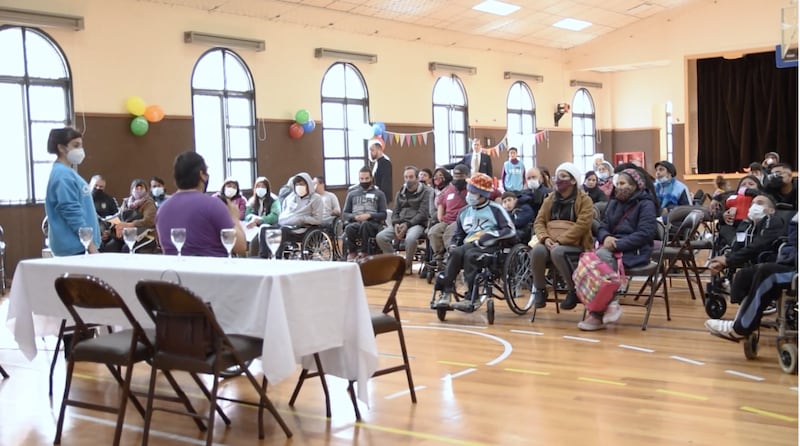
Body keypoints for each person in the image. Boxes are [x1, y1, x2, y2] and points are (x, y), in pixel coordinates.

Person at [577, 168, 657, 331]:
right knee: (591, 259)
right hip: (610, 248)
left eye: (623, 183)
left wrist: (618, 244)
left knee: (601, 257)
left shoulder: (646, 204)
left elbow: (646, 234)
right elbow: (603, 226)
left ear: (634, 186)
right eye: (617, 183)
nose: (619, 187)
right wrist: (606, 237)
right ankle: (603, 306)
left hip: (635, 250)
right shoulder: (613, 203)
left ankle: (601, 311)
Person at [705, 212, 797, 341]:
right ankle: (742, 320)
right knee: (746, 275)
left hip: (795, 268)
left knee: (767, 274)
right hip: (790, 262)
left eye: (759, 203)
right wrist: (728, 260)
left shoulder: (775, 222)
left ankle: (741, 328)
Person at [433, 173, 515, 311]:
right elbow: (458, 234)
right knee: (455, 253)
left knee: (470, 256)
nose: (469, 195)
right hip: (469, 244)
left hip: (490, 246)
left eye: (473, 192)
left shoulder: (496, 209)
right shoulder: (464, 212)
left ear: (483, 195)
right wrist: (453, 244)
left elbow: (510, 230)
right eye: (469, 191)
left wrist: (488, 236)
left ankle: (472, 296)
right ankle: (446, 292)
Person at [155, 151, 246, 257]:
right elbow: (240, 246)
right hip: (212, 266)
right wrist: (234, 217)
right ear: (202, 175)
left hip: (175, 267)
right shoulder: (213, 205)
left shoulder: (162, 210)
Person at [529, 162, 594, 309]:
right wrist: (545, 238)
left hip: (575, 244)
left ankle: (573, 291)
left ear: (573, 181)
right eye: (557, 176)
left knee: (558, 251)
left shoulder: (585, 200)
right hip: (550, 240)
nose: (558, 180)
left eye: (563, 176)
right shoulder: (549, 199)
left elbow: (582, 225)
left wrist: (561, 241)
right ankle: (540, 289)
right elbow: (539, 222)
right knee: (537, 250)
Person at [707, 193, 787, 294]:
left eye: (760, 203)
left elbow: (759, 245)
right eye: (752, 204)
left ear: (772, 210)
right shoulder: (746, 223)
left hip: (768, 263)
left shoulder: (773, 220)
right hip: (750, 262)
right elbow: (738, 246)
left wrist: (728, 259)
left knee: (742, 276)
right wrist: (723, 262)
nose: (754, 206)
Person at [44, 127, 101, 256]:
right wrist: (91, 246)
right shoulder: (62, 175)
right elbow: (71, 212)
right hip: (75, 246)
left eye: (81, 145)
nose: (80, 150)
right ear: (61, 148)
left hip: (79, 245)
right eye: (76, 145)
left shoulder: (68, 172)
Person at [376, 166, 431, 274]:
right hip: (400, 222)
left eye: (411, 177)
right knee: (381, 237)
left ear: (417, 178)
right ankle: (396, 262)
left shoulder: (426, 192)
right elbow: (395, 210)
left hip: (417, 223)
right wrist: (396, 223)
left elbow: (423, 213)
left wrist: (407, 224)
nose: (408, 180)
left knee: (410, 239)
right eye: (406, 177)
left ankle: (407, 265)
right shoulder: (401, 192)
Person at [270, 172, 324, 258]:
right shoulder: (290, 198)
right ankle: (264, 256)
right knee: (266, 229)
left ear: (308, 185)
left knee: (282, 231)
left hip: (303, 229)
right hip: (287, 223)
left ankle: (278, 257)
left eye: (302, 184)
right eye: (297, 185)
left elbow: (317, 219)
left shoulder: (316, 199)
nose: (299, 187)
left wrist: (302, 219)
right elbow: (284, 213)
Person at [342, 166, 387, 260]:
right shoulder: (351, 194)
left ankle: (364, 251)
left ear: (371, 178)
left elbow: (383, 214)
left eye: (367, 178)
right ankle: (352, 252)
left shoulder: (379, 194)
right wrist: (354, 217)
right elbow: (345, 214)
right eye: (362, 179)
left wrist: (369, 215)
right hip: (356, 222)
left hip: (372, 223)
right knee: (349, 228)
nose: (364, 181)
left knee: (365, 225)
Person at [428, 164, 469, 268]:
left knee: (448, 234)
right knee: (433, 232)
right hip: (447, 219)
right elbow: (441, 203)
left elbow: (494, 194)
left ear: (467, 176)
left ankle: (450, 257)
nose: (457, 178)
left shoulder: (471, 189)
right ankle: (438, 257)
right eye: (455, 175)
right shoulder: (449, 189)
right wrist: (440, 217)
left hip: (461, 220)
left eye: (460, 176)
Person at [102, 178, 157, 253]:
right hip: (125, 234)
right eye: (136, 188)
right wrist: (114, 226)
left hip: (143, 235)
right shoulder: (127, 202)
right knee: (110, 247)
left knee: (126, 249)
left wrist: (129, 225)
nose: (139, 190)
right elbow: (119, 216)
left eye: (141, 188)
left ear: (146, 190)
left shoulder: (149, 203)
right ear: (131, 190)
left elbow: (149, 221)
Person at [245, 176, 280, 256]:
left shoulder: (274, 200)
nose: (260, 188)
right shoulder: (252, 200)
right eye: (258, 186)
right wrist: (252, 219)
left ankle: (260, 258)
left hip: (269, 226)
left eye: (263, 186)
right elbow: (247, 215)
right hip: (253, 226)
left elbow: (274, 216)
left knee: (256, 239)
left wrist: (260, 220)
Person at [369, 136, 393, 205]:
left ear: (379, 149)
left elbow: (385, 183)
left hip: (381, 197)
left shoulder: (385, 163)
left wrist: (380, 198)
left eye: (372, 150)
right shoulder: (377, 163)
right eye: (370, 150)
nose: (370, 153)